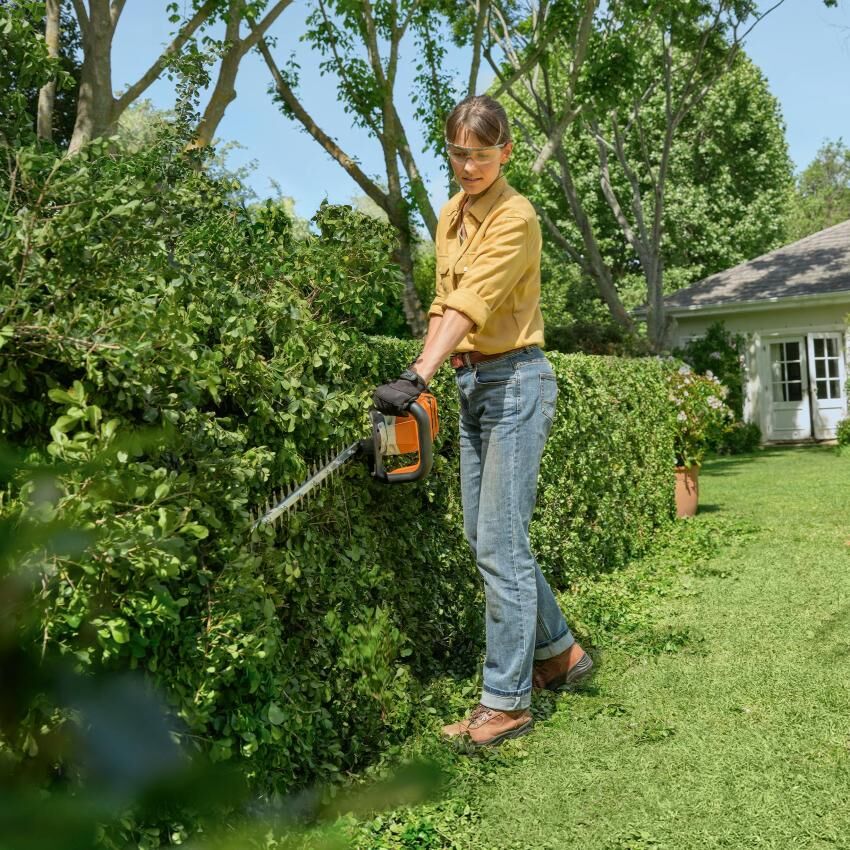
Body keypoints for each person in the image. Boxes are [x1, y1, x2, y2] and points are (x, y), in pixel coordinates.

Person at [372, 95, 592, 749]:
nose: (468, 166)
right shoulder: (450, 214)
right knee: (486, 537)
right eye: (458, 153)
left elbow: (473, 302)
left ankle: (506, 703)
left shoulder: (516, 217)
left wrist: (418, 374)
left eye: (481, 155)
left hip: (516, 381)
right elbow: (444, 303)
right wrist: (425, 371)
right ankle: (560, 654)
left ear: (506, 152)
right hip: (472, 384)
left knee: (500, 545)